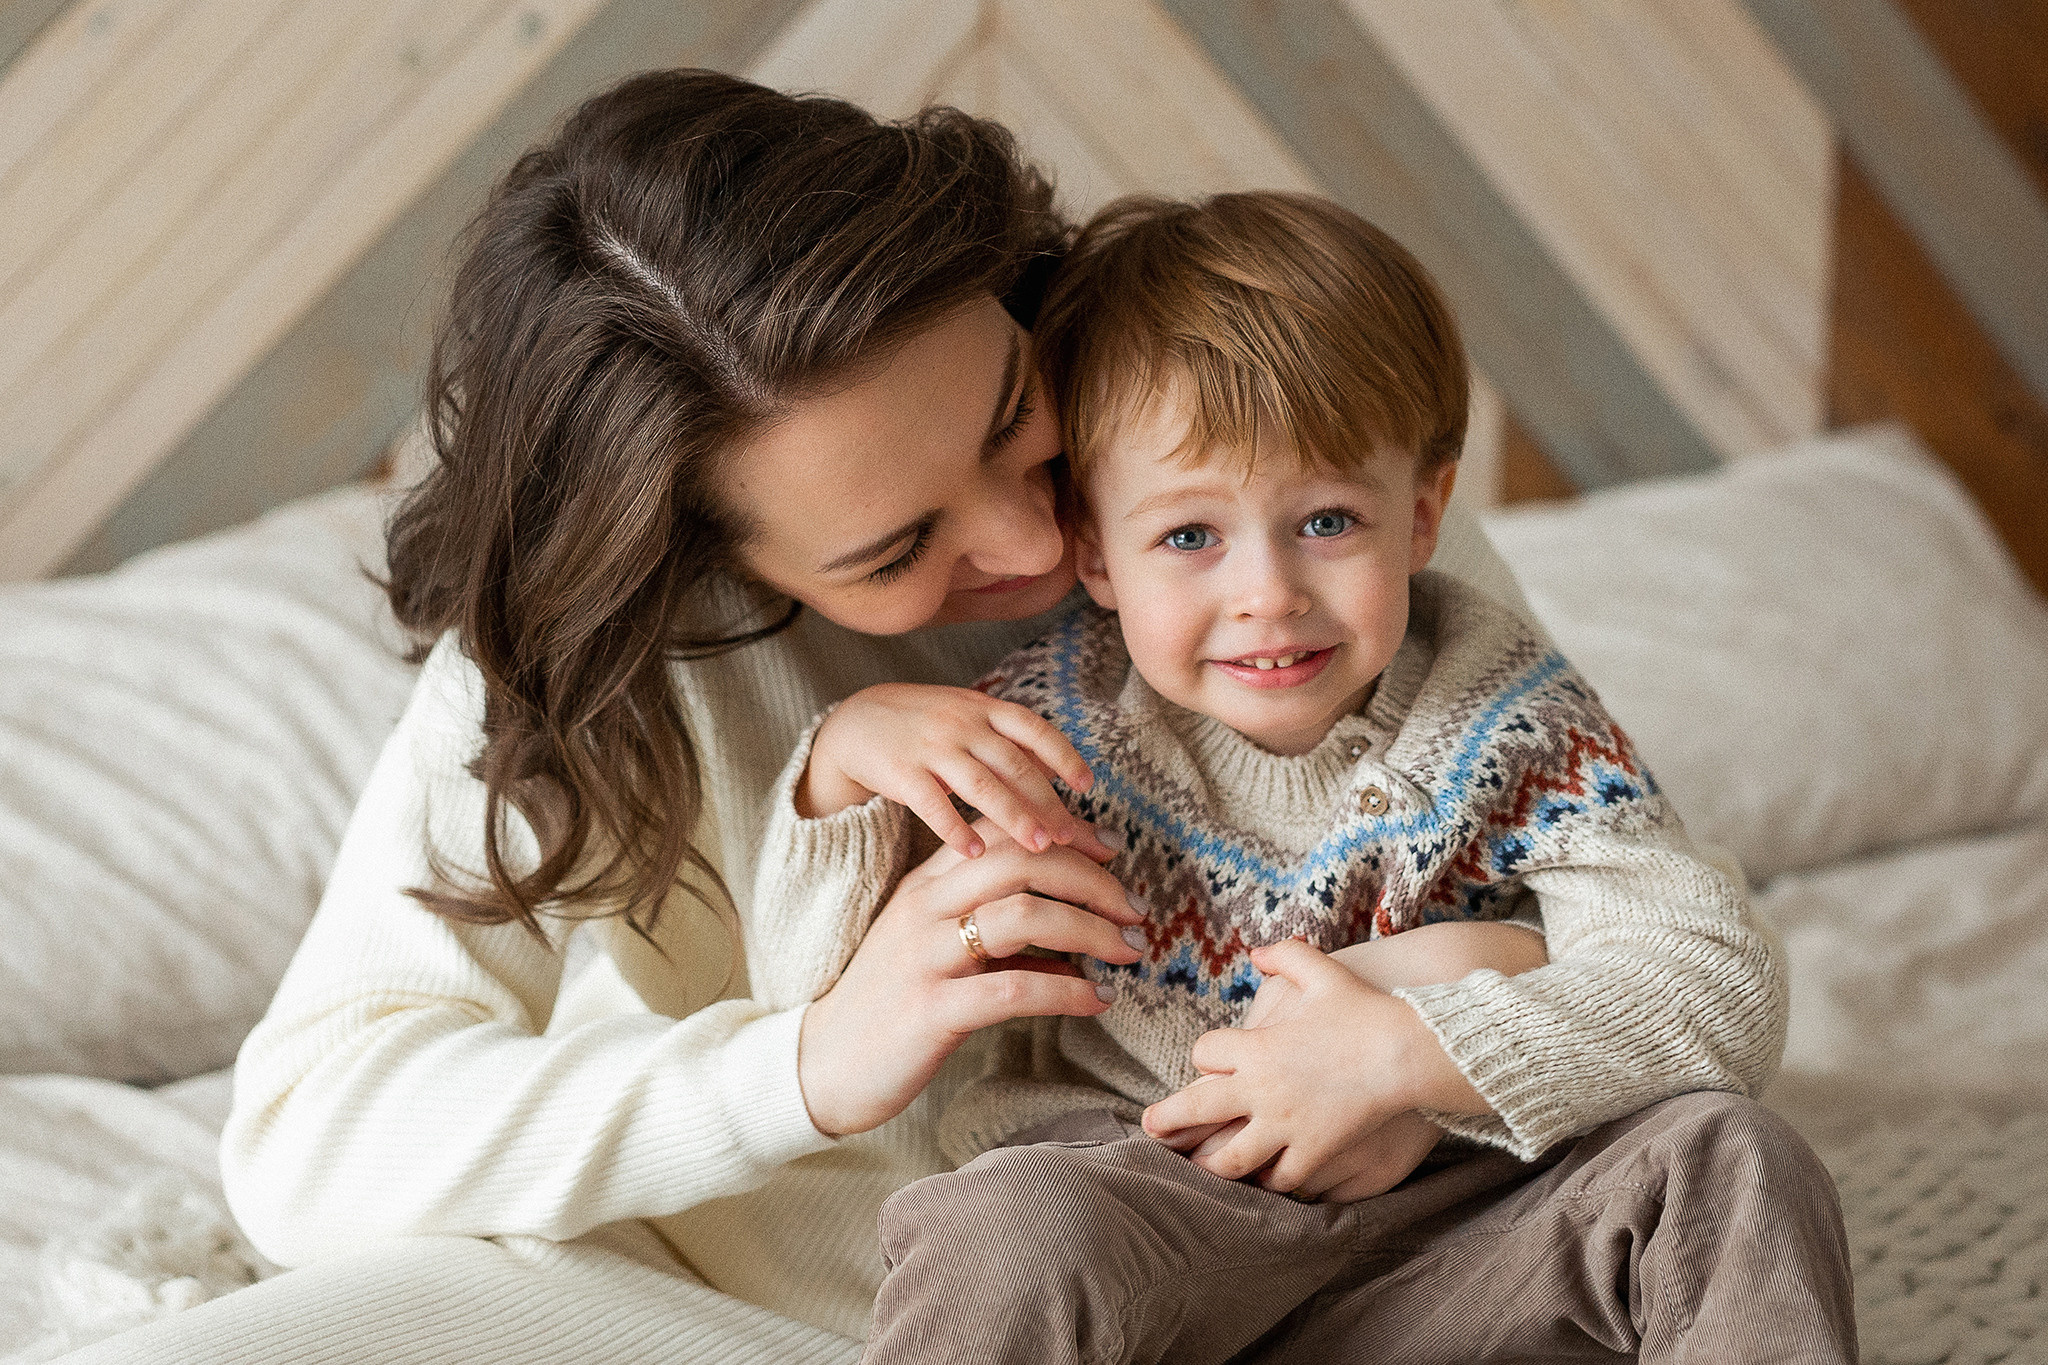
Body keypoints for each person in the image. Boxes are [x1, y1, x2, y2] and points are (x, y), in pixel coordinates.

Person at [59, 71, 1850, 1365]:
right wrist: (812, 1061)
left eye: (1013, 416)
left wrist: (1415, 1026)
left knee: (1718, 1179)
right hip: (852, 1288)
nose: (1026, 539)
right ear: (706, 561)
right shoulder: (602, 669)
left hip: (1382, 1227)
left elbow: (1600, 915)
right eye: (898, 543)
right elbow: (309, 1143)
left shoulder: (1244, 474)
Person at [745, 192, 1858, 1364]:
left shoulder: (1506, 719)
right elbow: (814, 999)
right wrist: (836, 776)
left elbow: (1713, 981)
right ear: (1090, 548)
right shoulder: (1041, 730)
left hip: (1464, 1234)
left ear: (1420, 515)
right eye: (1187, 537)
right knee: (1004, 1224)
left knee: (1728, 1158)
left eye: (1326, 519)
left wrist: (1401, 1061)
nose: (1266, 592)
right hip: (1157, 1231)